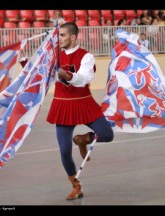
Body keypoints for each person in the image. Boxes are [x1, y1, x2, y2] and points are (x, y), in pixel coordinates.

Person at [46, 22, 114, 200]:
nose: (59, 39)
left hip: (84, 102)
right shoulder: (54, 56)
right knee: (64, 151)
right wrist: (24, 62)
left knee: (107, 135)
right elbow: (40, 77)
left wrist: (67, 75)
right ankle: (76, 185)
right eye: (58, 35)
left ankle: (82, 139)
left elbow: (85, 78)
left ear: (73, 37)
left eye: (63, 35)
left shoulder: (86, 56)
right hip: (63, 105)